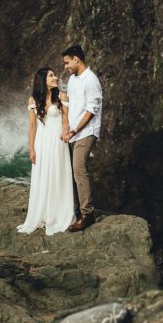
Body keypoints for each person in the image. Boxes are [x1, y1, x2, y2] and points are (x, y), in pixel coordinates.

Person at [17, 67, 76, 234]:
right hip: (42, 143)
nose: (55, 77)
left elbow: (65, 119)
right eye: (51, 76)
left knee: (58, 174)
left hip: (58, 141)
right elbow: (32, 126)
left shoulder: (62, 96)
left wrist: (65, 134)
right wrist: (32, 149)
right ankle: (43, 213)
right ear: (42, 80)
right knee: (43, 175)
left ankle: (58, 214)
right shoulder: (33, 100)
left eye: (54, 75)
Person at [60, 45, 103, 231]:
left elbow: (92, 110)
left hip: (86, 132)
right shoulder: (72, 79)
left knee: (79, 169)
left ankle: (87, 214)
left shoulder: (91, 80)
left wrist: (75, 129)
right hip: (74, 132)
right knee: (73, 171)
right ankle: (77, 210)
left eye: (67, 62)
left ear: (76, 59)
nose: (66, 66)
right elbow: (70, 103)